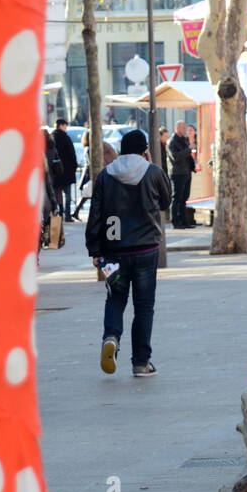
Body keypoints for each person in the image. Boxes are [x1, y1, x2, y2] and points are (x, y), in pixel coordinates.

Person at [85, 128, 170, 378]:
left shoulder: (105, 176)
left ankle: (111, 337)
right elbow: (166, 202)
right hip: (146, 250)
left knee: (115, 298)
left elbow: (95, 217)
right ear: (144, 150)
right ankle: (141, 363)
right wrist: (153, 167)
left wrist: (95, 250)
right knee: (144, 306)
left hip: (113, 253)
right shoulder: (153, 172)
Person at [167, 120, 194, 229]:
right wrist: (189, 149)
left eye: (185, 128)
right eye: (183, 128)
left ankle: (184, 221)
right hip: (177, 173)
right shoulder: (172, 141)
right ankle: (175, 221)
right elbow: (176, 157)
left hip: (186, 172)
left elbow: (187, 156)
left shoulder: (184, 140)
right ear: (177, 128)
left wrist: (192, 167)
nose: (185, 130)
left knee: (184, 198)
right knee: (177, 198)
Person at [52, 117, 78, 221]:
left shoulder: (52, 137)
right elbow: (72, 154)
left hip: (55, 170)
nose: (66, 127)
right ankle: (67, 215)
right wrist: (74, 166)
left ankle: (59, 213)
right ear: (61, 125)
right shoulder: (66, 138)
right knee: (68, 194)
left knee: (57, 193)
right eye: (65, 125)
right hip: (67, 170)